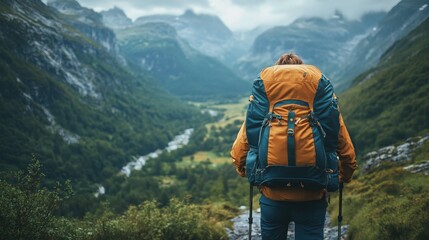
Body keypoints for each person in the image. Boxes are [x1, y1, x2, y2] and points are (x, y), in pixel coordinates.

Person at [231, 53, 357, 240]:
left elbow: (241, 147)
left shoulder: (265, 107)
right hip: (313, 194)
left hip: (272, 193)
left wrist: (247, 172)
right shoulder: (320, 106)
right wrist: (342, 176)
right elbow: (345, 149)